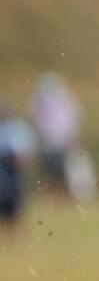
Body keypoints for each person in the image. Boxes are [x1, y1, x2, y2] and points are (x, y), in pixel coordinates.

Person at [0, 100, 37, 239]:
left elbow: (24, 154)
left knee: (16, 204)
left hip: (14, 171)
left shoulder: (18, 128)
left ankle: (17, 236)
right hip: (3, 168)